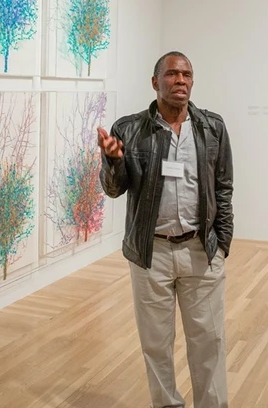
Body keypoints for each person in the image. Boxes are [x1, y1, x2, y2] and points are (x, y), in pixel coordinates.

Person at [98, 51, 233, 408]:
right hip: (150, 254)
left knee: (209, 340)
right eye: (172, 74)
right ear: (155, 82)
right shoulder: (128, 129)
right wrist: (113, 161)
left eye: (187, 74)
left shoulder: (212, 127)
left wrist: (222, 244)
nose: (181, 81)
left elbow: (223, 187)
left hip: (201, 251)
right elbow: (114, 189)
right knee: (156, 344)